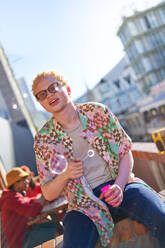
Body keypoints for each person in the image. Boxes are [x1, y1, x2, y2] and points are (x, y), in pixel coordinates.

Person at [32, 70, 165, 248]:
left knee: (160, 216)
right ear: (42, 104)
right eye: (42, 94)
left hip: (122, 186)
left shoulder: (98, 112)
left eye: (53, 87)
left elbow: (125, 152)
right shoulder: (43, 141)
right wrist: (65, 175)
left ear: (68, 89)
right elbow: (48, 193)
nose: (49, 94)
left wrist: (119, 184)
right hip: (82, 206)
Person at [0, 167, 56, 248]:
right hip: (18, 242)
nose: (27, 182)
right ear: (15, 183)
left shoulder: (11, 195)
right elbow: (30, 212)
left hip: (20, 237)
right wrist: (43, 199)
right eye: (23, 180)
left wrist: (39, 199)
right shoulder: (11, 198)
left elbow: (27, 201)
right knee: (53, 229)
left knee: (49, 225)